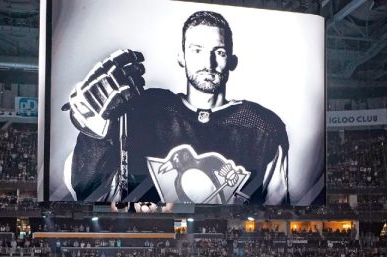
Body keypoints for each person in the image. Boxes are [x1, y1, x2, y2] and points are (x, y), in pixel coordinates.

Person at [64, 10, 289, 205]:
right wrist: (94, 135)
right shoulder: (144, 110)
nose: (207, 63)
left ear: (231, 60)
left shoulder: (263, 127)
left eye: (218, 52)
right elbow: (87, 192)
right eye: (197, 50)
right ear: (181, 57)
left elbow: (277, 207)